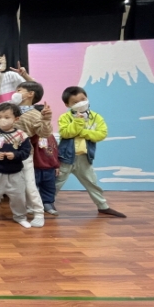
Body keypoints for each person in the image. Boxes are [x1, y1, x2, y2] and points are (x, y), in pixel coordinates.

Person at [55, 86, 126, 217]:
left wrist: (81, 132)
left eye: (83, 99)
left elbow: (101, 134)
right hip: (65, 158)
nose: (80, 103)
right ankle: (45, 205)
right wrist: (78, 122)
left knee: (92, 183)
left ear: (87, 98)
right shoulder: (65, 117)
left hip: (84, 158)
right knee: (56, 183)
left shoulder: (96, 117)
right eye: (75, 102)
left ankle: (103, 206)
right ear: (67, 105)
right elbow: (65, 133)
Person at [12, 81, 52, 228]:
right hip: (6, 152)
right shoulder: (10, 109)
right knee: (10, 184)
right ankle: (22, 210)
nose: (15, 93)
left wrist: (45, 120)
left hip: (24, 153)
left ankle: (39, 213)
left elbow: (44, 133)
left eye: (19, 90)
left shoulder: (36, 114)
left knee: (29, 184)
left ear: (30, 94)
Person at [31, 130, 60, 215]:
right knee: (32, 187)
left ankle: (47, 203)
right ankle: (31, 205)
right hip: (35, 168)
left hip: (50, 168)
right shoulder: (34, 135)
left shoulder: (51, 136)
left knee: (49, 187)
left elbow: (55, 151)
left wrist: (56, 165)